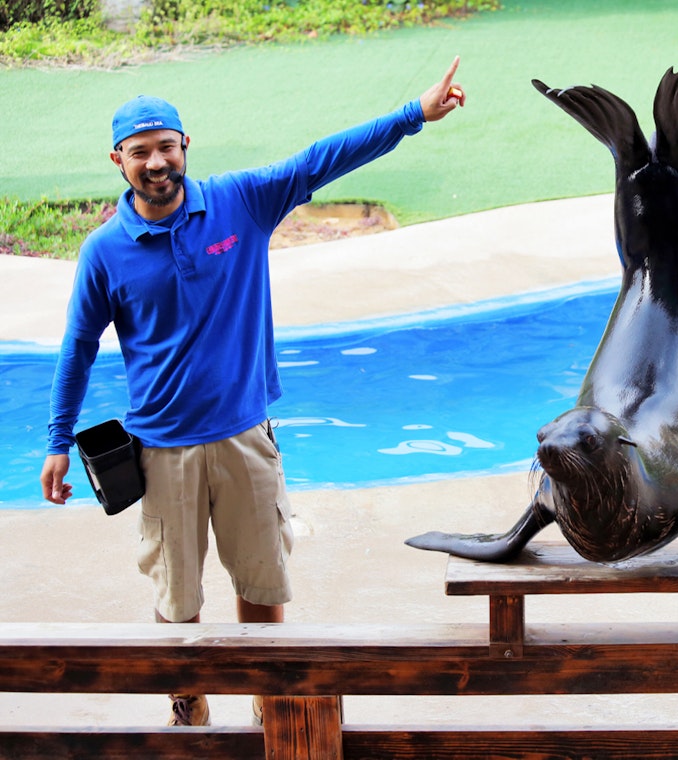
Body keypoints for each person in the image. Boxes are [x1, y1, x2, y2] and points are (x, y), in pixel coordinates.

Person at [39, 56, 465, 727]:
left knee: (263, 587)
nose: (157, 163)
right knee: (175, 600)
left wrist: (414, 115)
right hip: (161, 452)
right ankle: (188, 702)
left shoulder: (241, 202)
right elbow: (79, 348)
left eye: (168, 148)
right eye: (142, 152)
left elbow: (320, 160)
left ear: (186, 148)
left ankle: (274, 709)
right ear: (118, 159)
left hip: (244, 436)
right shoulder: (104, 252)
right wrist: (58, 440)